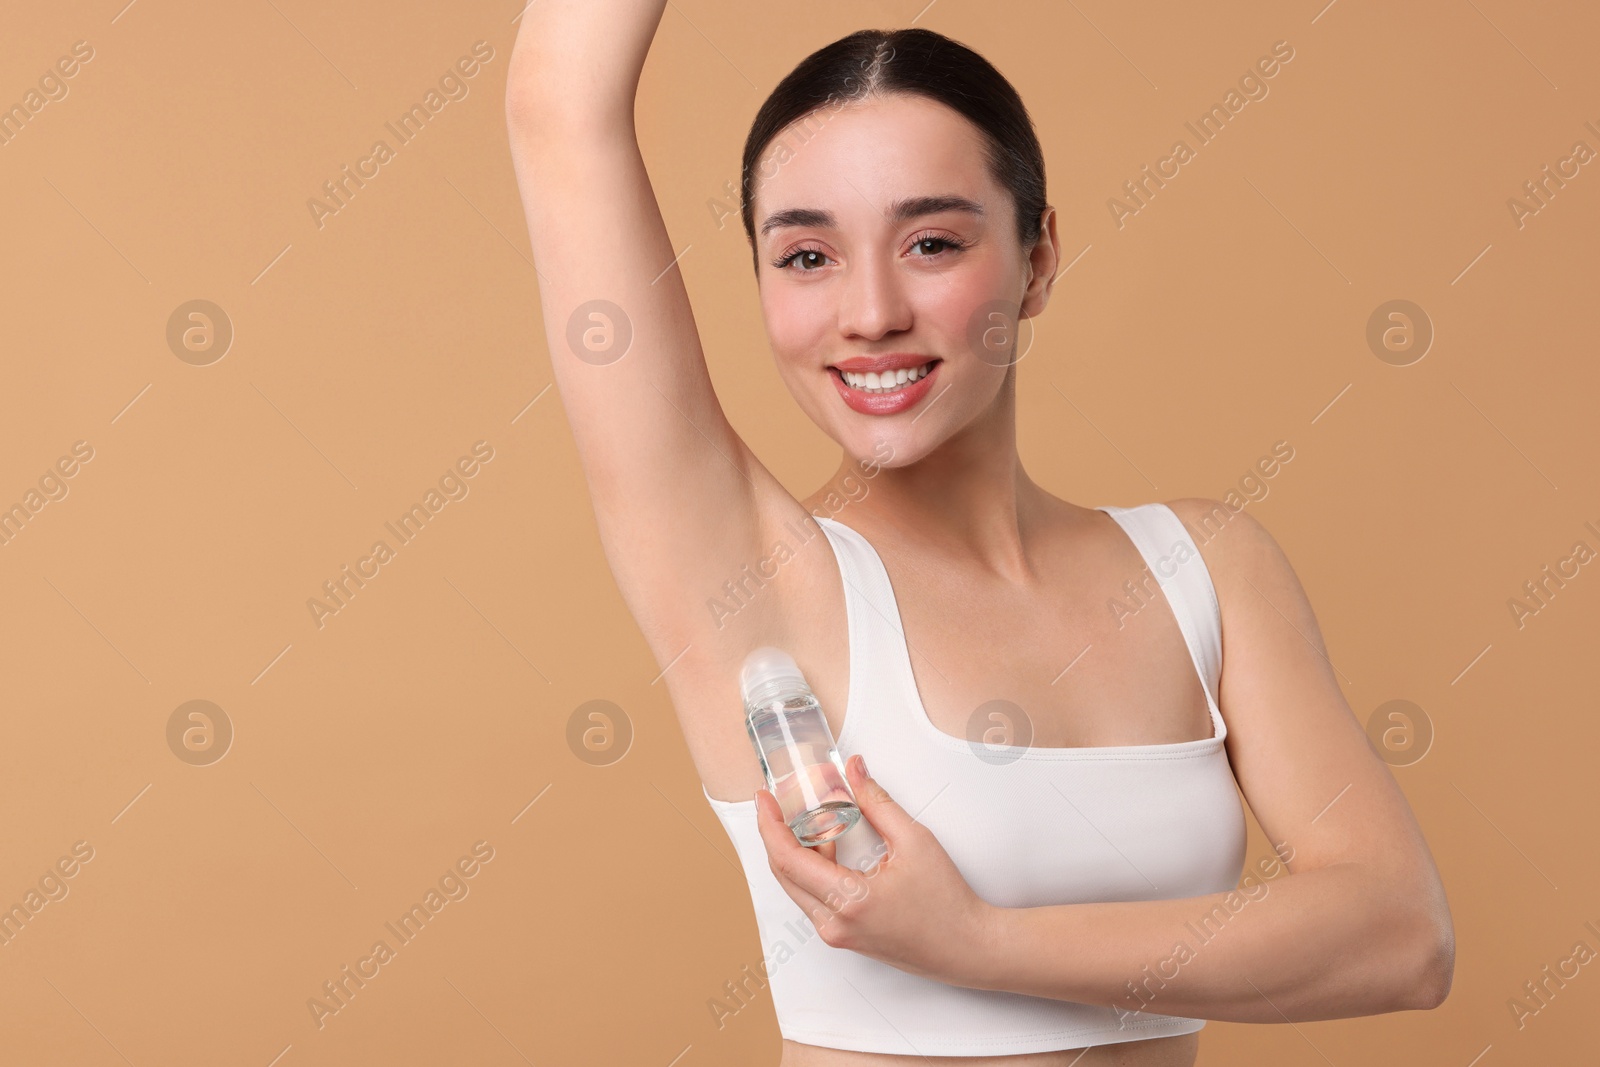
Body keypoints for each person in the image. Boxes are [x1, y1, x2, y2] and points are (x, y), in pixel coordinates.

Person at [504, 4, 1454, 1064]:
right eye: (806, 256)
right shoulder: (757, 577)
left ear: (1036, 258)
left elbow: (1400, 936)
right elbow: (558, 105)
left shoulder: (1206, 569)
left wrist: (979, 942)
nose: (869, 311)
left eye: (932, 242)